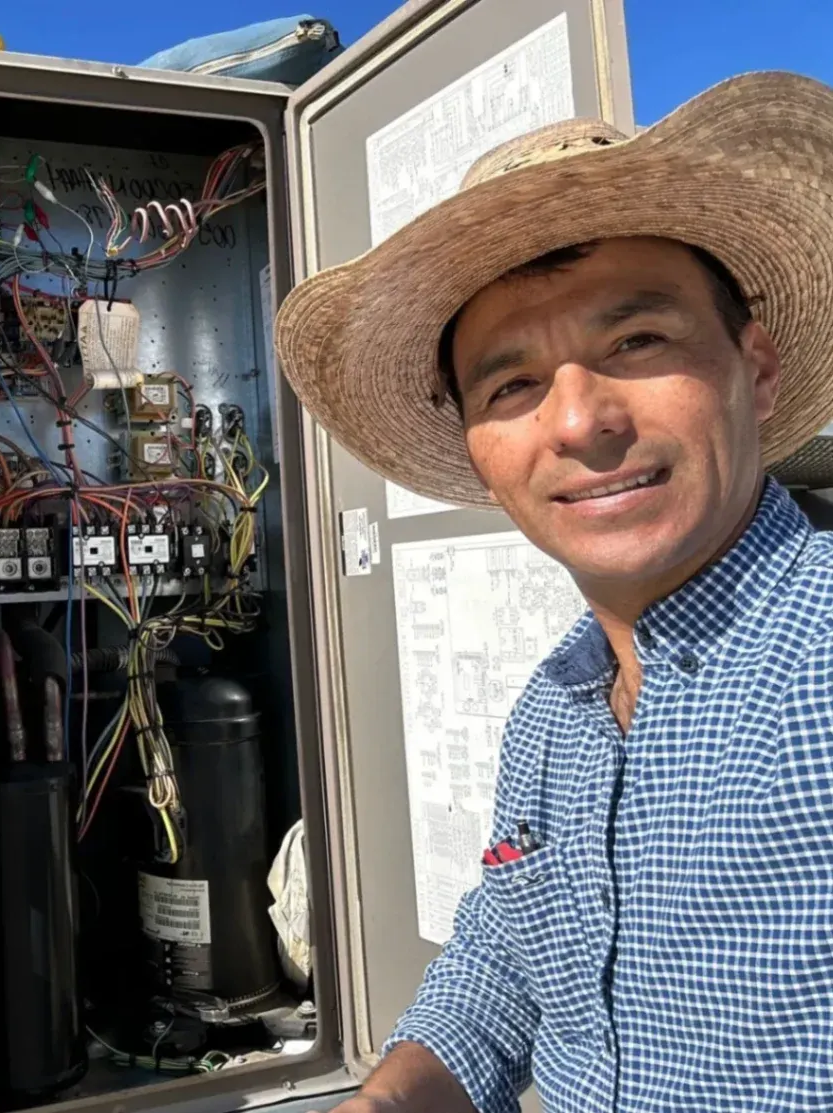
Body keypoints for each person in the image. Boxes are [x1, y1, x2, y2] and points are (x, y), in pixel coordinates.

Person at [274, 72, 833, 1113]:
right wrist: (391, 1094)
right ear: (479, 454)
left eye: (635, 342)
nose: (577, 422)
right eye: (512, 384)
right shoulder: (553, 711)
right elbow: (513, 948)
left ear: (752, 372)